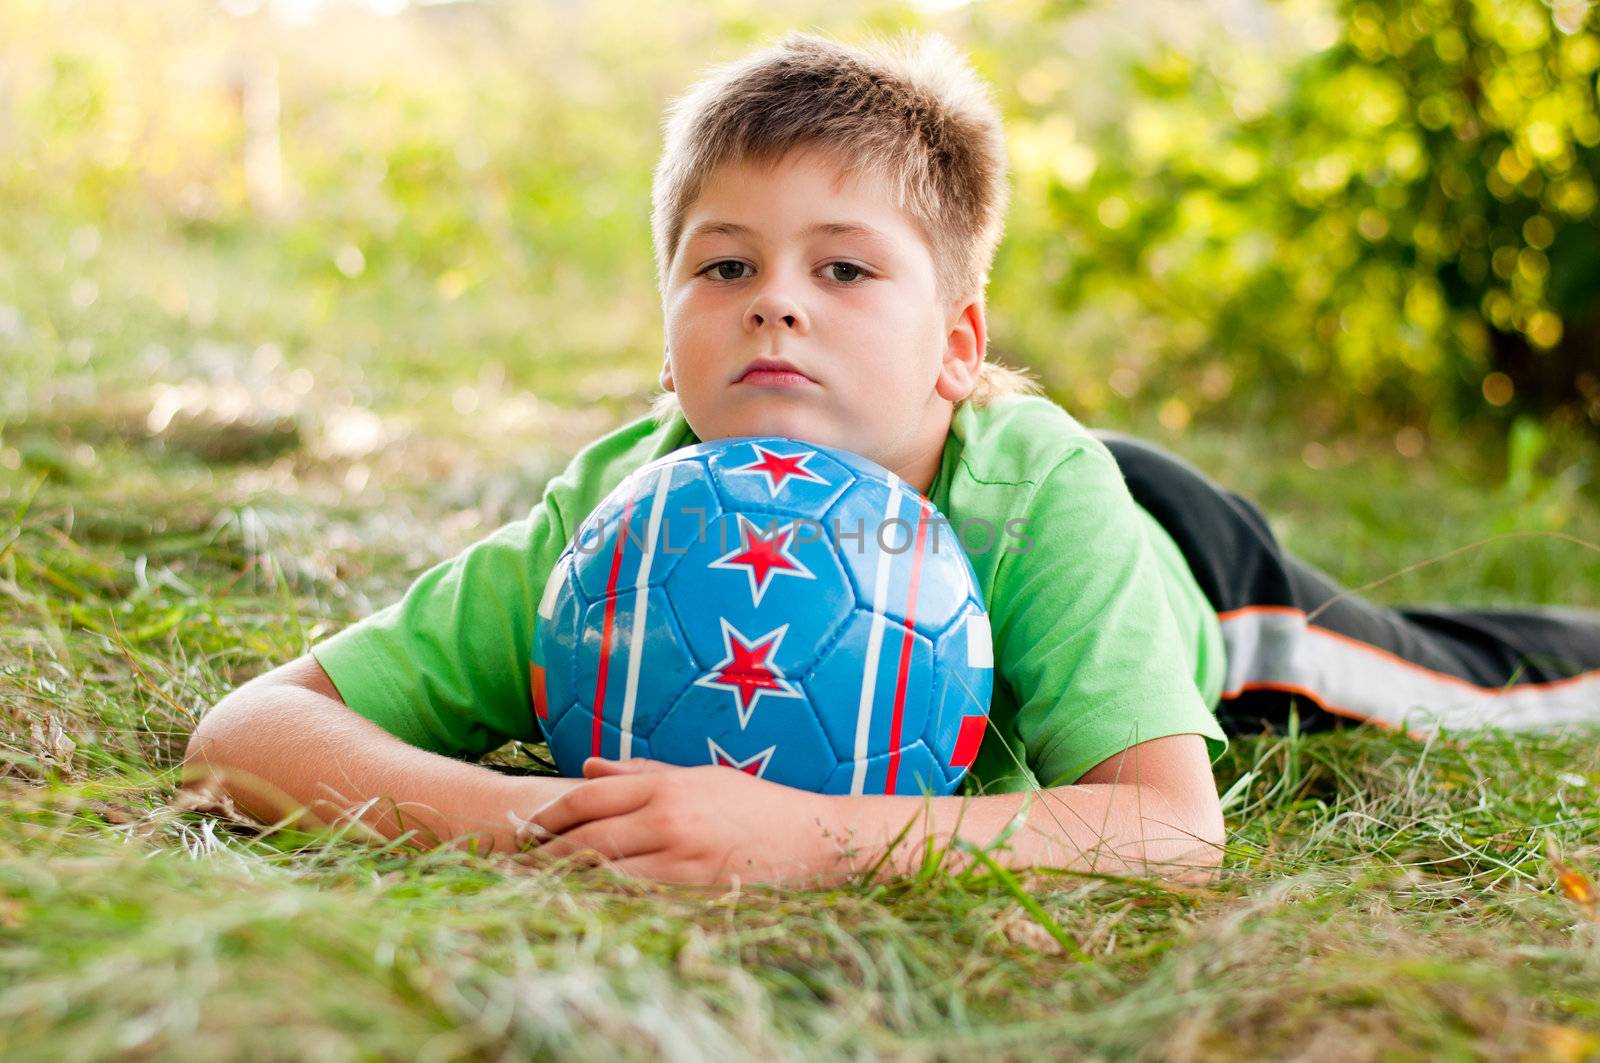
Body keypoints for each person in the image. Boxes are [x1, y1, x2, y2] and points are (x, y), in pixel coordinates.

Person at [179, 29, 1600, 889]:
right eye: (723, 263)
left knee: (1468, 683)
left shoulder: (1042, 505)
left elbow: (1171, 836)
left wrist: (800, 838)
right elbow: (246, 734)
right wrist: (549, 825)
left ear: (956, 340)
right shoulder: (610, 529)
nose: (775, 300)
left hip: (1199, 573)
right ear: (665, 324)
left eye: (845, 269)